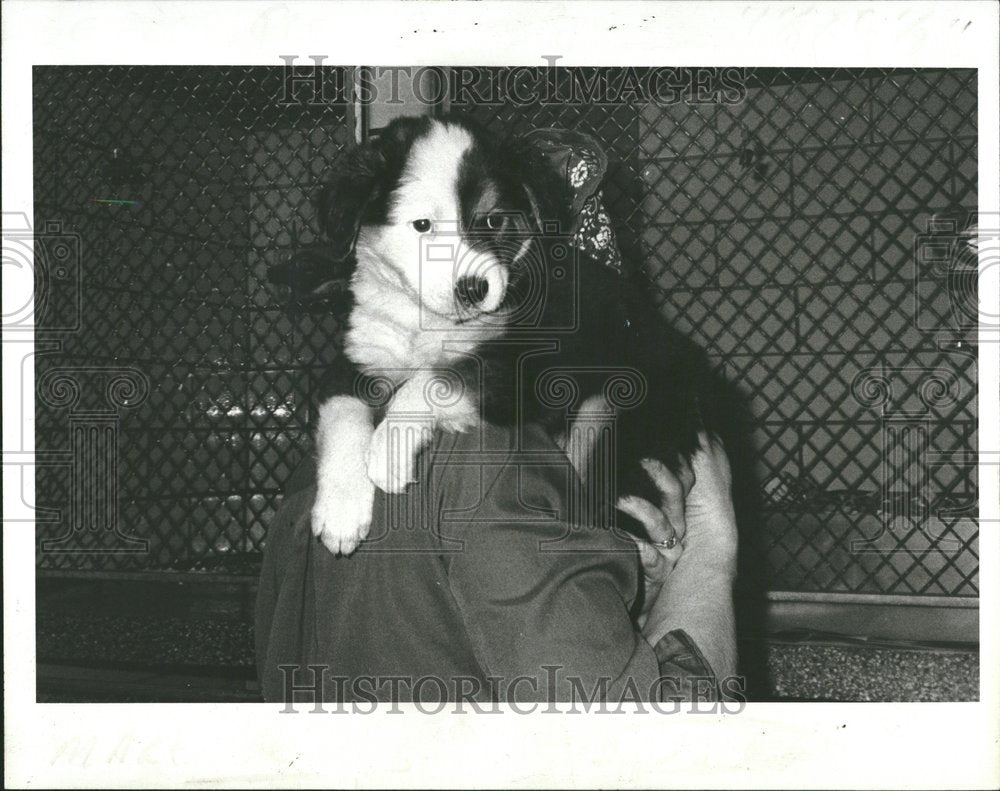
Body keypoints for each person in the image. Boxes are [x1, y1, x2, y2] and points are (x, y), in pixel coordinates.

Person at [255, 413, 738, 704]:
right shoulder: (499, 458)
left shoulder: (326, 471)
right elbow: (666, 753)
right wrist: (711, 555)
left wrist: (629, 610)